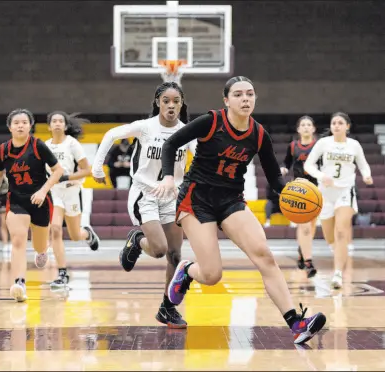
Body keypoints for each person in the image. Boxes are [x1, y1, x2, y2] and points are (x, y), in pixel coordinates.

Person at [153, 76, 326, 344]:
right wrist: (166, 176)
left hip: (230, 200)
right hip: (196, 199)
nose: (245, 99)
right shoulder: (211, 122)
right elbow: (170, 144)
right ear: (226, 100)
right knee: (211, 275)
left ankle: (296, 323)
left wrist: (294, 192)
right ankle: (187, 271)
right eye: (238, 94)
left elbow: (274, 179)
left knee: (264, 255)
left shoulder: (258, 134)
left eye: (250, 94)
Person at [92, 81, 197, 328]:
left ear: (181, 104)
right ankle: (136, 240)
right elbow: (110, 135)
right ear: (157, 103)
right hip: (145, 194)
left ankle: (167, 308)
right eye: (166, 101)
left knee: (175, 254)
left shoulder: (187, 131)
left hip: (172, 196)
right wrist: (97, 167)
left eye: (176, 101)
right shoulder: (145, 127)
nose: (171, 106)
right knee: (159, 249)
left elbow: (202, 156)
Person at [0, 108, 64, 302]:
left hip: (41, 201)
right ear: (10, 127)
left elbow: (58, 171)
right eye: (16, 123)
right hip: (17, 200)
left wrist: (43, 191)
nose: (20, 125)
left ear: (30, 126)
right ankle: (19, 283)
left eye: (24, 122)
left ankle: (42, 250)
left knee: (39, 245)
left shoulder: (38, 146)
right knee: (18, 240)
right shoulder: (3, 150)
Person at [304, 112, 373, 289]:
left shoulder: (354, 145)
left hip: (345, 190)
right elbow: (308, 165)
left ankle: (337, 274)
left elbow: (363, 164)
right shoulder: (323, 143)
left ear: (347, 126)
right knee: (330, 236)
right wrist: (321, 175)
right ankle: (338, 253)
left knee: (341, 231)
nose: (336, 125)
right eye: (333, 123)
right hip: (325, 193)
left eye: (340, 123)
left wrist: (367, 175)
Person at [45, 111, 100, 289]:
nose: (58, 123)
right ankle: (62, 274)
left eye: (61, 121)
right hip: (55, 192)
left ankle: (87, 234)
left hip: (72, 191)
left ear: (66, 126)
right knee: (54, 228)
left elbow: (87, 170)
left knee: (75, 235)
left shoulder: (72, 144)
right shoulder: (45, 146)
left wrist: (66, 177)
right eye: (54, 121)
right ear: (49, 126)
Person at [281, 115, 318, 278]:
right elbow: (286, 163)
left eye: (308, 125)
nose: (305, 127)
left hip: (315, 191)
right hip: (299, 191)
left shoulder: (318, 146)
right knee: (303, 226)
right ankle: (309, 262)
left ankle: (302, 251)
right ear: (298, 129)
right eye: (303, 125)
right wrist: (283, 169)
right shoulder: (292, 146)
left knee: (310, 227)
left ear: (313, 128)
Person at [0, 175, 10, 251]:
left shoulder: (14, 176)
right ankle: (5, 244)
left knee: (13, 225)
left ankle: (13, 243)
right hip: (3, 204)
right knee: (3, 224)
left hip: (14, 204)